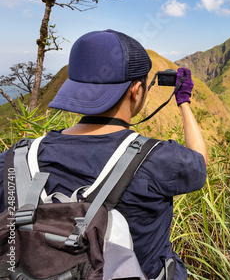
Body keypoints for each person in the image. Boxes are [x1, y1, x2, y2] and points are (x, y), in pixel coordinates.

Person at [0, 29, 207, 280]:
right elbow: (199, 163)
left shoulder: (14, 159)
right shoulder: (158, 159)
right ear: (136, 90)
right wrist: (183, 101)